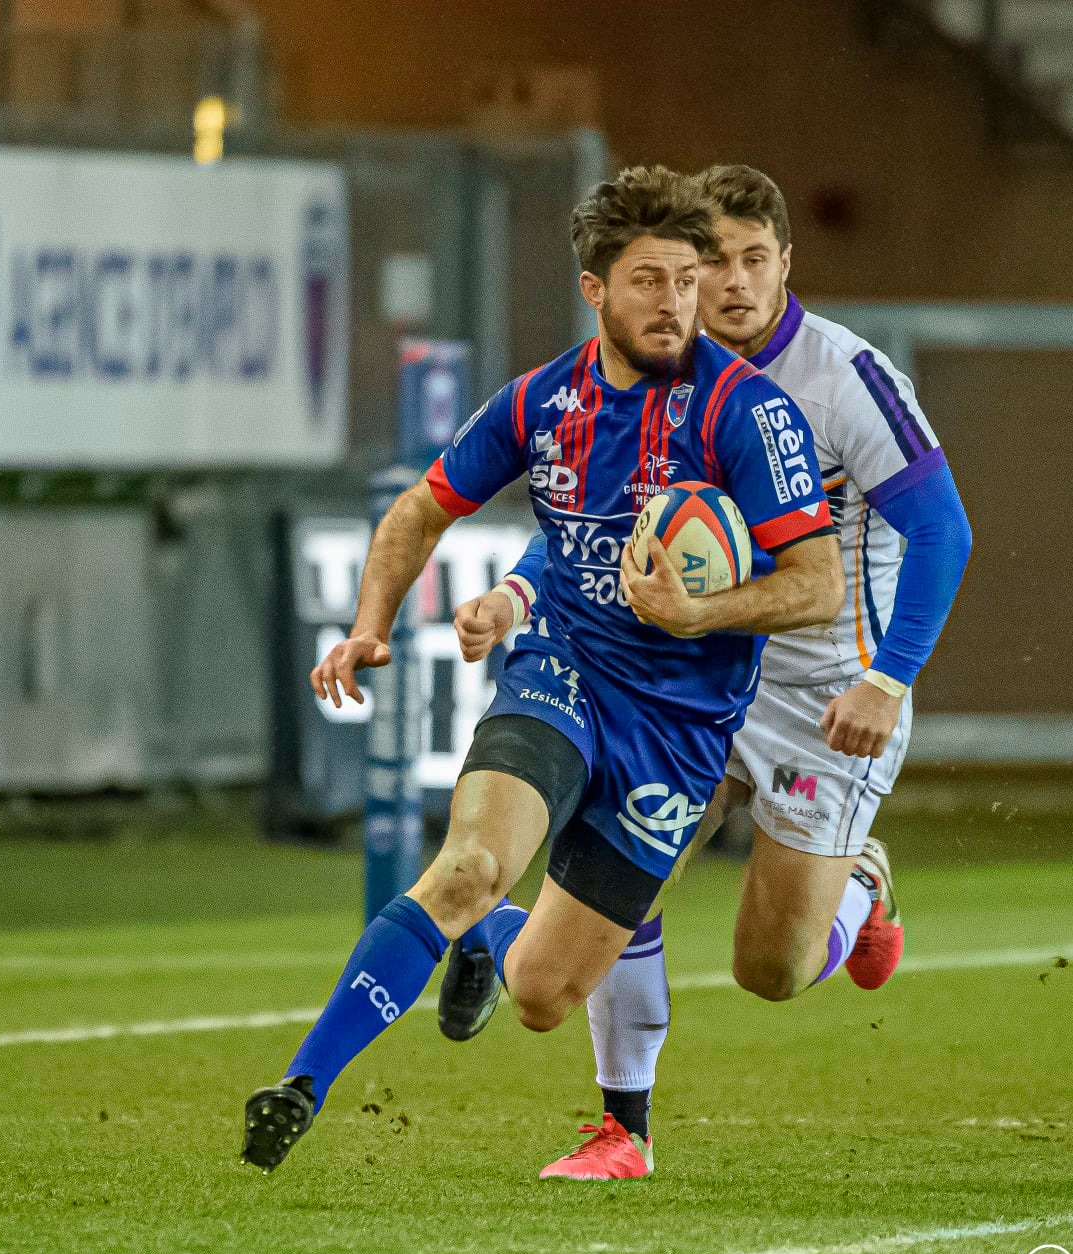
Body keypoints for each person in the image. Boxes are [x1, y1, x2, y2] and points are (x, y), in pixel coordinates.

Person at [241, 165, 843, 1172]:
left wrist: (705, 610)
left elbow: (818, 582)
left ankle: (494, 938)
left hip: (678, 731)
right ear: (594, 289)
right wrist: (368, 622)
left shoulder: (748, 414)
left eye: (685, 281)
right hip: (559, 675)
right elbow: (423, 506)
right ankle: (302, 1081)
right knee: (467, 865)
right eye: (648, 281)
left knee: (541, 996)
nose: (675, 303)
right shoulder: (540, 400)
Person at [442, 165, 972, 1180]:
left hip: (829, 697)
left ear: (786, 263)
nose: (728, 283)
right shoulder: (658, 376)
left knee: (769, 968)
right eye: (709, 261)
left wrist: (889, 677)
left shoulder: (844, 378)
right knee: (592, 927)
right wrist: (516, 589)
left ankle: (858, 881)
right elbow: (584, 524)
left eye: (751, 259)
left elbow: (940, 531)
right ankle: (622, 1129)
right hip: (693, 681)